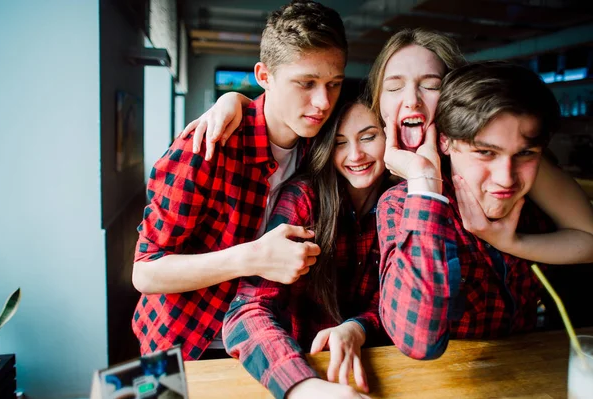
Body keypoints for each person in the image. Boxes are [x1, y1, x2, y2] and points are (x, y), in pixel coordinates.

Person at [187, 28, 593, 265]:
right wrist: (235, 101)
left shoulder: (502, 157)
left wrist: (507, 241)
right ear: (378, 104)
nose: (412, 101)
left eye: (431, 86)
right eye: (395, 87)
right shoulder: (369, 167)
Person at [131, 0, 347, 361]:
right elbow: (146, 273)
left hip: (273, 338)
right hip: (189, 344)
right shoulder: (208, 144)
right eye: (305, 83)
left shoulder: (324, 147)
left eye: (334, 83)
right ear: (264, 76)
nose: (323, 102)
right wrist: (254, 257)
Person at [377, 61, 570, 360]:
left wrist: (510, 243)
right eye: (485, 152)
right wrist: (423, 181)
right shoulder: (403, 205)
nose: (506, 178)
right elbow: (419, 342)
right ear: (444, 141)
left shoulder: (538, 208)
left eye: (525, 154)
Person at [223, 99, 389, 399]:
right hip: (301, 368)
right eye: (340, 142)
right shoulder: (304, 198)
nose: (356, 154)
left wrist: (356, 328)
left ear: (388, 136)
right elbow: (246, 312)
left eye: (368, 137)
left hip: (383, 370)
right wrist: (301, 387)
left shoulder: (400, 200)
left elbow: (395, 300)